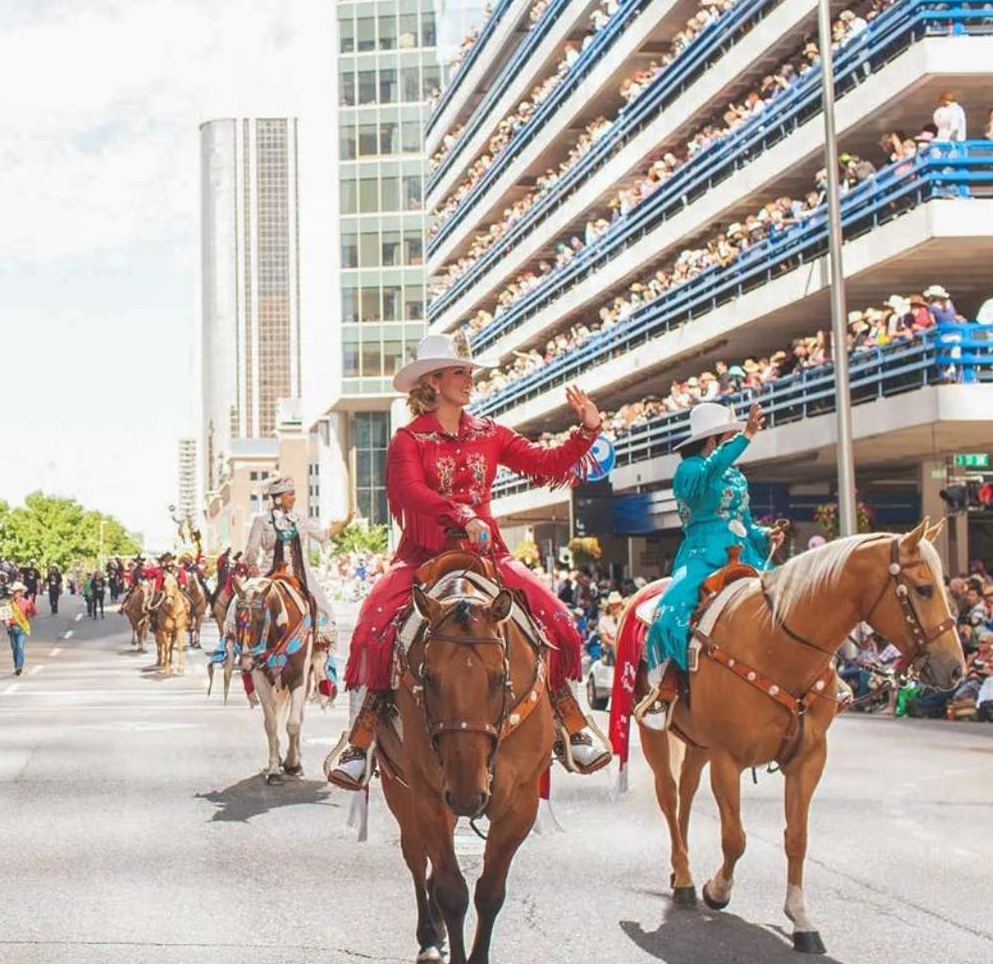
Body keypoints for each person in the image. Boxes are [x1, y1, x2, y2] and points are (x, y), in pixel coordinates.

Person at [325, 333, 610, 789]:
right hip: (424, 557)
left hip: (488, 555)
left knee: (560, 621)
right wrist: (459, 514)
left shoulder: (490, 433)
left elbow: (545, 462)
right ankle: (360, 736)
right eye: (460, 372)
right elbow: (411, 493)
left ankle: (571, 721)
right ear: (434, 382)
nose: (469, 379)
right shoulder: (407, 440)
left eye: (469, 372)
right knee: (370, 626)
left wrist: (587, 432)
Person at [637, 402, 784, 728]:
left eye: (733, 433)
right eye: (728, 433)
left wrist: (764, 534)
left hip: (745, 552)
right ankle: (663, 687)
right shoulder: (689, 471)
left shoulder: (735, 474)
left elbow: (743, 519)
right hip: (702, 554)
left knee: (787, 601)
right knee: (669, 613)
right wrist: (744, 437)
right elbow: (708, 474)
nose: (733, 437)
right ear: (715, 438)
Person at [220, 475, 337, 659]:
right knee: (239, 603)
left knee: (323, 607)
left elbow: (323, 534)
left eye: (294, 494)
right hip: (269, 572)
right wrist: (251, 565)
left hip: (300, 573)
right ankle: (231, 642)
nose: (294, 498)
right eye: (290, 494)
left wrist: (346, 520)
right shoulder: (261, 521)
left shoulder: (300, 520)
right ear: (278, 497)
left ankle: (319, 653)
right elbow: (251, 549)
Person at [0, 582, 31, 676]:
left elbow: (31, 613)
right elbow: (4, 617)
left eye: (17, 591)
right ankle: (16, 664)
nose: (15, 593)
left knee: (20, 647)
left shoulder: (26, 602)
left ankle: (19, 666)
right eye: (14, 591)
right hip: (12, 627)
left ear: (21, 592)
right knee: (14, 648)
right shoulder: (8, 603)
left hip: (21, 627)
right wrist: (7, 623)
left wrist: (31, 604)